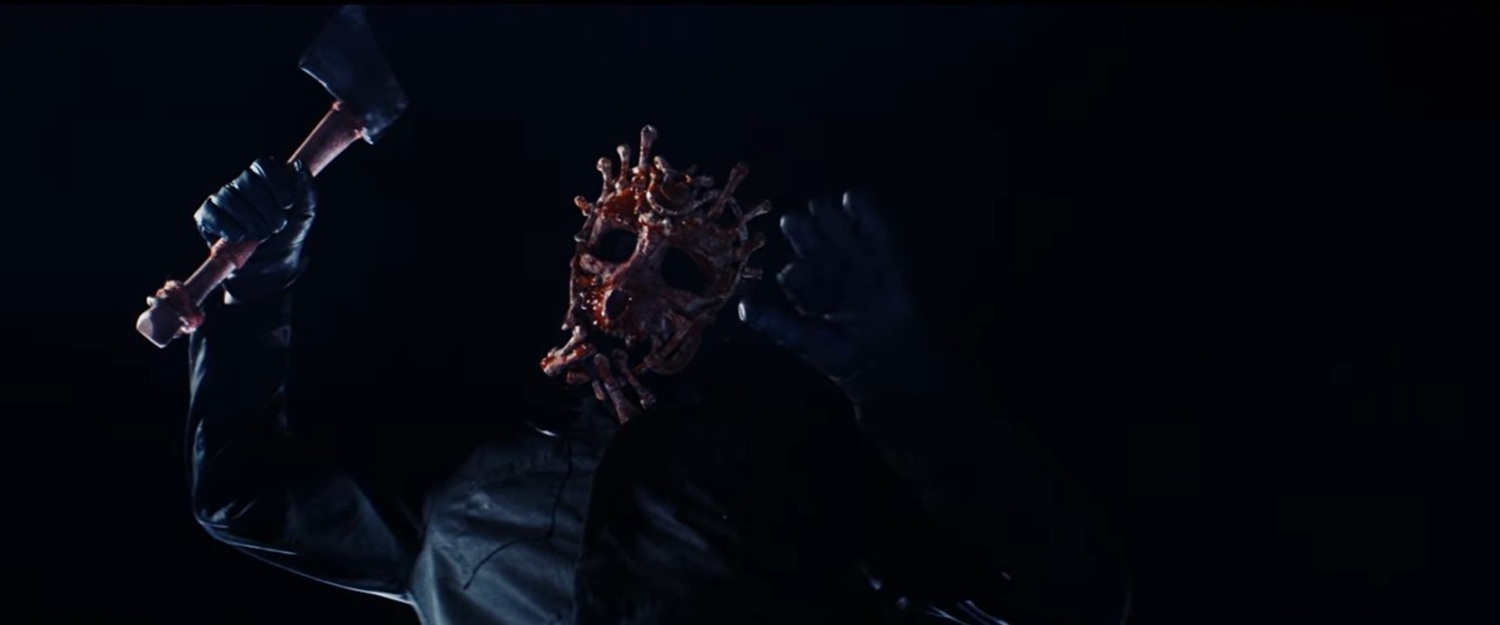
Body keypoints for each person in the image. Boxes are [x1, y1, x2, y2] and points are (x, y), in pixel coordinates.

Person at [168, 128, 1131, 625]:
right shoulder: (464, 487)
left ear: (724, 296)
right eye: (616, 244)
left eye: (680, 267)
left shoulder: (798, 488)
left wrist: (899, 374)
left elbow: (1065, 602)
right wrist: (262, 279)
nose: (629, 284)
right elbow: (242, 495)